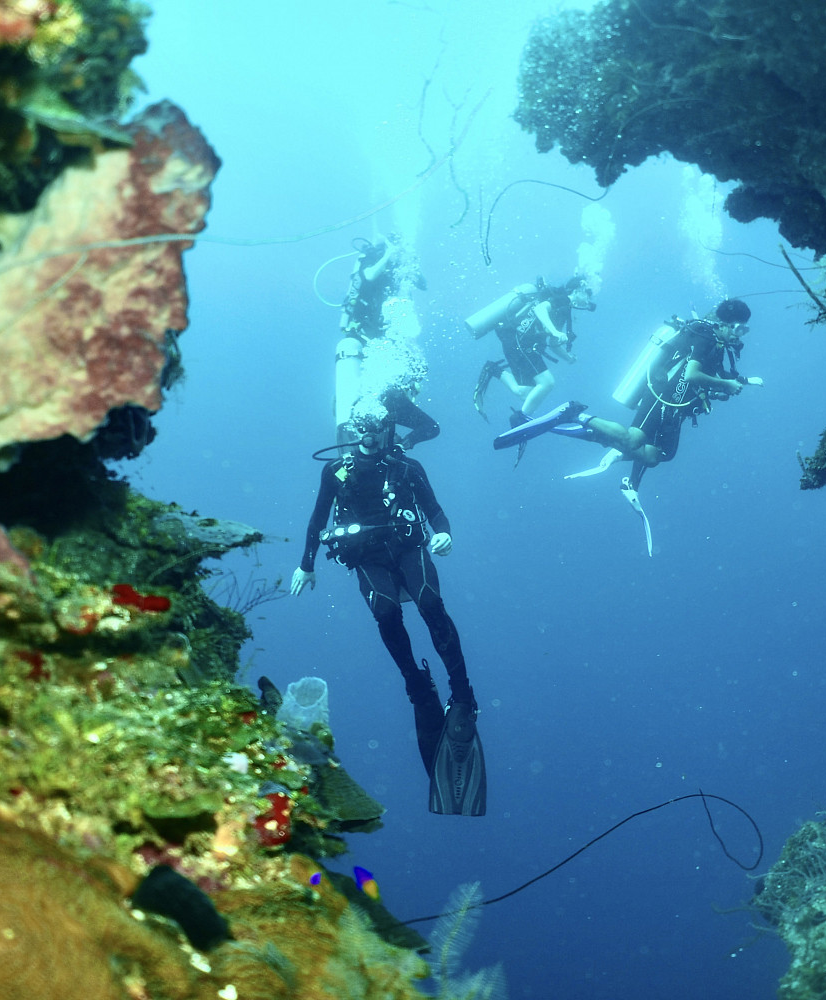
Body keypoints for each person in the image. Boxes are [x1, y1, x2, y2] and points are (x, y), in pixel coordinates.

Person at [290, 414, 485, 815]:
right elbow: (317, 518)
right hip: (368, 558)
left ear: (388, 429)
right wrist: (306, 564)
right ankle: (416, 683)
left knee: (431, 604)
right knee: (385, 613)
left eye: (378, 426)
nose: (370, 434)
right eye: (362, 427)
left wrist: (445, 532)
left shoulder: (407, 467)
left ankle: (463, 693)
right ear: (352, 430)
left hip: (408, 549)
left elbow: (434, 511)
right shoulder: (335, 471)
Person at [495, 298, 754, 489]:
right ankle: (574, 414)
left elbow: (710, 375)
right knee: (632, 441)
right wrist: (727, 386)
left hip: (674, 403)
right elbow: (692, 374)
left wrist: (735, 382)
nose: (741, 334)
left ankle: (597, 438)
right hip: (662, 397)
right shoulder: (706, 335)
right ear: (728, 323)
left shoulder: (713, 340)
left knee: (655, 456)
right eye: (741, 328)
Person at [473, 275, 595, 427]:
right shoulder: (564, 299)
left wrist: (568, 357)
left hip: (518, 342)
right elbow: (540, 309)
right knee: (547, 383)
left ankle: (493, 369)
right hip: (522, 341)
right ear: (579, 290)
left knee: (526, 393)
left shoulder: (564, 309)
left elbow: (553, 343)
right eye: (588, 293)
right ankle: (520, 420)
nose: (589, 299)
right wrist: (556, 332)